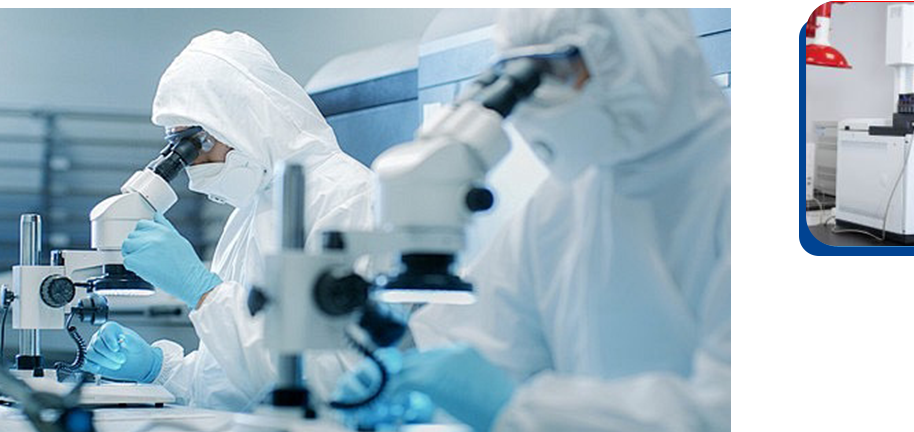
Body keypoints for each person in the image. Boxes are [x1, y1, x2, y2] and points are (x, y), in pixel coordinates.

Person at [337, 3, 745, 432]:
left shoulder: (740, 186)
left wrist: (517, 407)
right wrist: (416, 389)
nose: (537, 104)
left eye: (556, 71)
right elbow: (485, 345)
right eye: (522, 77)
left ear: (641, 51)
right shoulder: (561, 204)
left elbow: (734, 408)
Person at [80, 31, 376, 411]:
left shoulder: (348, 198)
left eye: (195, 144)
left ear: (242, 120)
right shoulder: (250, 212)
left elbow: (335, 377)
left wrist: (205, 294)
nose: (192, 166)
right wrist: (159, 369)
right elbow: (227, 379)